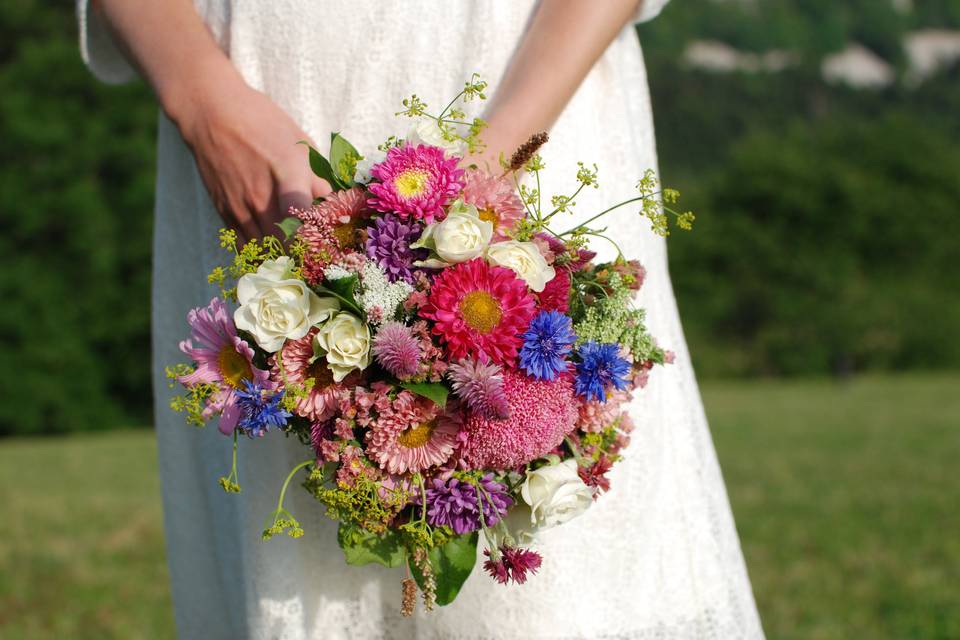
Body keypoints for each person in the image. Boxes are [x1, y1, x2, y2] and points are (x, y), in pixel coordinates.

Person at [77, 1, 764, 638]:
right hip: (254, 139)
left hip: (529, 93)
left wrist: (490, 170)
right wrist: (203, 100)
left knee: (566, 593)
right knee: (297, 570)